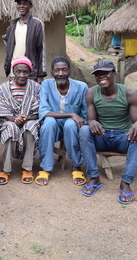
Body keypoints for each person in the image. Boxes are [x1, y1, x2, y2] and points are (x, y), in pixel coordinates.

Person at [79, 60, 137, 204]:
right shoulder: (91, 92)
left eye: (105, 73)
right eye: (98, 74)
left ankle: (126, 182)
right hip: (101, 137)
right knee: (84, 130)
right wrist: (92, 122)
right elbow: (90, 120)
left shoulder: (129, 93)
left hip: (122, 138)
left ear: (114, 74)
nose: (101, 77)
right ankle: (94, 177)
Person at [36, 56, 88, 186]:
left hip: (73, 126)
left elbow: (85, 114)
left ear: (70, 72)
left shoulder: (81, 87)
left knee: (71, 124)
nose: (60, 73)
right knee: (48, 122)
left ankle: (76, 166)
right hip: (54, 125)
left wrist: (75, 118)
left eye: (64, 70)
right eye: (56, 70)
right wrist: (71, 114)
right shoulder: (46, 85)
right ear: (52, 72)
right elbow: (44, 112)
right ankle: (46, 167)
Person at [0, 56, 41, 185]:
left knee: (31, 127)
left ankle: (27, 168)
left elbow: (38, 111)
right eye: (18, 71)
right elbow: (1, 109)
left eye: (25, 72)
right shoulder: (4, 87)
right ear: (13, 72)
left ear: (30, 72)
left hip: (29, 120)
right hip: (8, 121)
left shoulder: (36, 87)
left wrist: (26, 119)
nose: (22, 75)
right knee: (11, 127)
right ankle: (6, 169)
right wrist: (14, 119)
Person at [3, 0, 47, 83]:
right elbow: (9, 50)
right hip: (14, 73)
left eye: (25, 4)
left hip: (30, 74)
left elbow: (41, 50)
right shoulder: (11, 27)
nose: (21, 6)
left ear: (30, 6)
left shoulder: (37, 24)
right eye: (19, 4)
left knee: (30, 97)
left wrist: (40, 74)